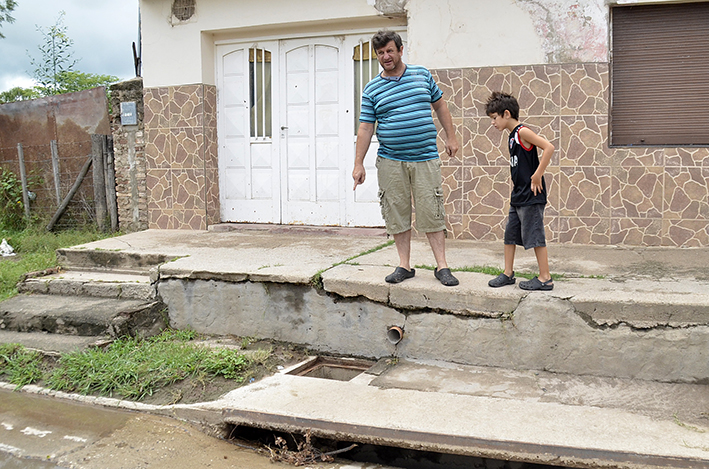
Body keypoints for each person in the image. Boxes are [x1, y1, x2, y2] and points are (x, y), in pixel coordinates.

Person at [352, 30, 460, 286]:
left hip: (425, 157)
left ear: (400, 50)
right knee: (396, 212)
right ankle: (404, 265)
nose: (385, 56)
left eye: (390, 50)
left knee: (431, 211)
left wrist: (451, 137)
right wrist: (358, 163)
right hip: (391, 160)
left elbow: (440, 105)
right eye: (380, 53)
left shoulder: (421, 74)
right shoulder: (372, 89)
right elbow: (366, 127)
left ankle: (442, 267)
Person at [485, 91, 554, 291]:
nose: (493, 123)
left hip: (531, 196)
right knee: (510, 235)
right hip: (518, 196)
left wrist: (538, 174)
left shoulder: (522, 132)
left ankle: (545, 278)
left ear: (506, 114)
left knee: (535, 236)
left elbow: (548, 147)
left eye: (494, 118)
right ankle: (508, 273)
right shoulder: (511, 137)